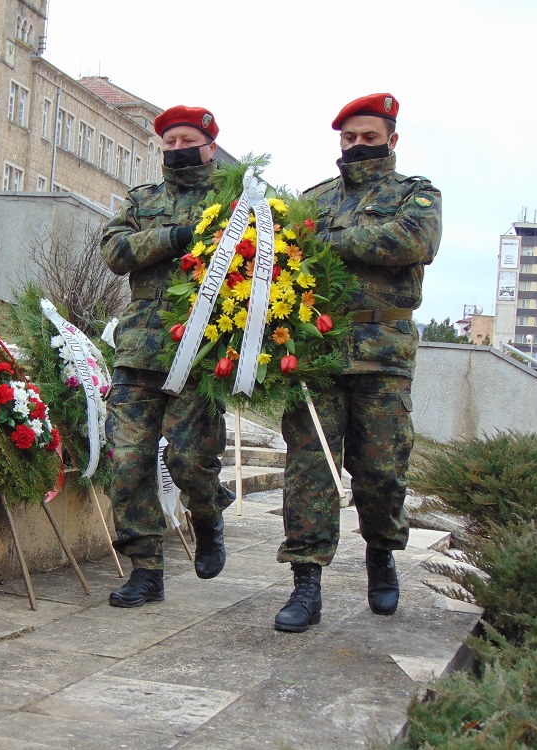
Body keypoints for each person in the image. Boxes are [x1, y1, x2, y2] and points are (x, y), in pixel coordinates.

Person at [274, 93, 442, 632]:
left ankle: (381, 553)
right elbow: (286, 253)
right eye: (349, 137)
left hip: (382, 355)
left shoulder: (415, 195)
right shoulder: (313, 199)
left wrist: (327, 239)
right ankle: (306, 583)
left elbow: (410, 241)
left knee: (382, 471)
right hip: (317, 356)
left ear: (392, 140)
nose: (357, 145)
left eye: (369, 137)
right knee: (309, 469)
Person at [100, 105, 234, 608]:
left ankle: (208, 513)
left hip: (200, 352)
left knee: (189, 459)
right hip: (139, 350)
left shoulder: (232, 202)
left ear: (210, 147)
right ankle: (146, 570)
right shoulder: (143, 200)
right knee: (127, 462)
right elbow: (115, 251)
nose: (177, 150)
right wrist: (173, 237)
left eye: (187, 142)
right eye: (170, 142)